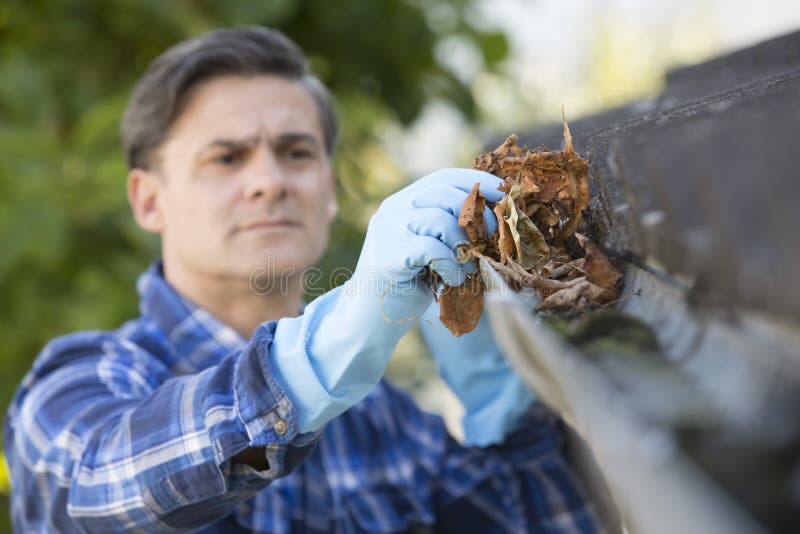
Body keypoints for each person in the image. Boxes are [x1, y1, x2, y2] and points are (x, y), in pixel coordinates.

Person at [4, 26, 600, 533]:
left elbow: (543, 519)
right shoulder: (82, 384)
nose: (270, 181)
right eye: (226, 158)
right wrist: (318, 359)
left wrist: (504, 409)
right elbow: (90, 483)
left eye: (296, 152)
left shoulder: (386, 423)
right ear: (148, 199)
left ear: (330, 192)